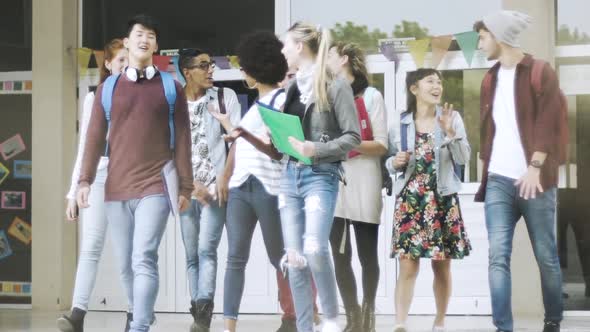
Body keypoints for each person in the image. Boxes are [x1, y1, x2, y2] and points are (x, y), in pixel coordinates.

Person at [77, 14, 193, 332]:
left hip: (155, 185)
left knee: (144, 257)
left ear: (156, 45)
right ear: (127, 42)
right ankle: (141, 314)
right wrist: (84, 181)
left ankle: (140, 326)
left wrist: (185, 187)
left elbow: (183, 138)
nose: (145, 39)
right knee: (126, 264)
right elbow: (93, 138)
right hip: (115, 188)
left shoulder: (171, 87)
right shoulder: (108, 88)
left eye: (151, 35)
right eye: (139, 33)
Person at [474, 11, 565, 332]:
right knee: (498, 256)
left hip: (536, 180)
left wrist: (535, 166)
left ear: (499, 36)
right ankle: (503, 327)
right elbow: (490, 130)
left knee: (546, 256)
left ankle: (552, 320)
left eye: (483, 36)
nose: (480, 43)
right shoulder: (490, 79)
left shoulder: (540, 72)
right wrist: (486, 164)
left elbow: (551, 122)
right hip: (499, 180)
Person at [386, 68, 471, 332]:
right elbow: (389, 162)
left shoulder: (451, 118)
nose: (437, 86)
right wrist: (394, 162)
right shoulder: (399, 123)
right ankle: (400, 322)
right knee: (407, 264)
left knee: (441, 265)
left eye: (439, 82)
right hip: (411, 199)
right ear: (414, 89)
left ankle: (440, 321)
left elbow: (464, 158)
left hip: (442, 198)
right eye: (430, 81)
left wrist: (449, 133)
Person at [57, 38, 131, 332]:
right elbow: (86, 147)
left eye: (129, 59)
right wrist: (73, 191)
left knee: (130, 252)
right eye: (120, 60)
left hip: (130, 178)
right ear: (109, 65)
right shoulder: (95, 98)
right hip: (99, 176)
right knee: (90, 247)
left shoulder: (143, 96)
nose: (125, 65)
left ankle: (135, 315)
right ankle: (77, 315)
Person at [176, 47, 241, 332]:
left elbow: (238, 142)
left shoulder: (225, 98)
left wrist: (217, 184)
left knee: (206, 250)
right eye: (204, 65)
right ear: (187, 72)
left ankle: (203, 314)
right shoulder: (173, 103)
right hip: (186, 191)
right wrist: (188, 187)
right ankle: (197, 311)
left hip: (215, 191)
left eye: (211, 64)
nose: (211, 69)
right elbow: (167, 149)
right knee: (191, 255)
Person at [326, 41, 388, 332]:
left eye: (329, 55)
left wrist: (344, 143)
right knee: (340, 256)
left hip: (364, 181)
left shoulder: (372, 95)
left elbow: (380, 145)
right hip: (333, 183)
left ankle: (369, 315)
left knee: (366, 255)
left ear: (344, 60)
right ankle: (352, 317)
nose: (324, 60)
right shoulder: (326, 96)